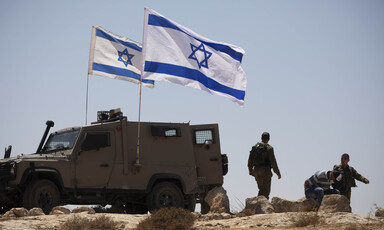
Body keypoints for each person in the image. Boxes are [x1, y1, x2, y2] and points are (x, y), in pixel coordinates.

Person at [248, 132, 281, 199]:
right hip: (265, 171)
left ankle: (257, 205)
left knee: (261, 190)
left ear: (261, 138)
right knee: (265, 191)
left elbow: (250, 160)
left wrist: (250, 170)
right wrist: (277, 173)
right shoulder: (269, 148)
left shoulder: (255, 147)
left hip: (256, 170)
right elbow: (273, 162)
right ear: (268, 139)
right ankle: (261, 207)